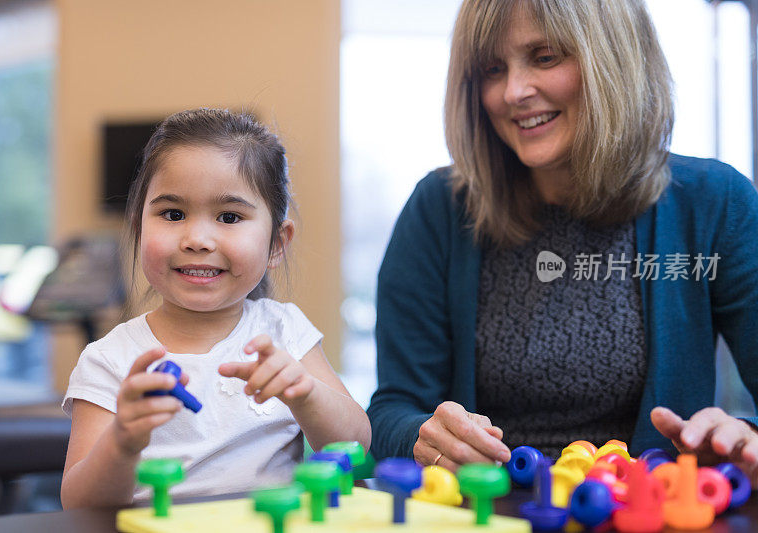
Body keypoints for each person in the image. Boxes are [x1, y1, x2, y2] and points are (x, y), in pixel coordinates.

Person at [367, 0, 758, 484]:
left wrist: (742, 436)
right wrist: (420, 436)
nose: (513, 92)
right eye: (492, 68)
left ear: (614, 57)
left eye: (546, 56)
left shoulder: (715, 202)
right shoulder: (438, 209)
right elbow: (391, 410)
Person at [61, 108, 370, 507]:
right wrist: (121, 442)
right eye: (173, 214)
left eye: (229, 216)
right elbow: (78, 505)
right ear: (139, 227)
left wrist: (305, 393)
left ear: (276, 243)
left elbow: (356, 443)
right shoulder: (110, 360)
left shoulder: (285, 331)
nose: (197, 239)